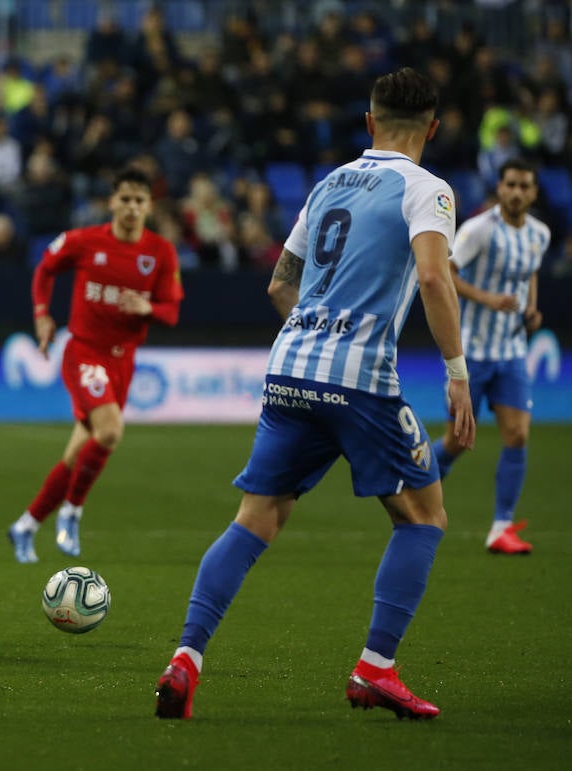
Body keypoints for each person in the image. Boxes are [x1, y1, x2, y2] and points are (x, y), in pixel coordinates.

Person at [154, 68, 476, 721]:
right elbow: (437, 279)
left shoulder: (329, 183)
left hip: (289, 368)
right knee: (424, 515)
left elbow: (279, 282)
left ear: (368, 122)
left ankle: (186, 657)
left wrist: (314, 335)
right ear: (433, 129)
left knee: (256, 519)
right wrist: (458, 374)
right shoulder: (428, 189)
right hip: (359, 378)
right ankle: (375, 668)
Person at [7, 167, 183, 563]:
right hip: (85, 352)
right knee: (110, 432)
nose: (132, 208)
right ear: (112, 202)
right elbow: (45, 268)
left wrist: (148, 308)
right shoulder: (86, 241)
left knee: (77, 455)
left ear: (149, 206)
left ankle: (26, 525)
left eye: (140, 200)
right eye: (125, 199)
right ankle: (71, 512)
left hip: (124, 362)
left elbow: (172, 311)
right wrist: (41, 314)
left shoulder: (160, 252)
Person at [431, 158, 549, 555]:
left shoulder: (539, 234)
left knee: (517, 434)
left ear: (533, 192)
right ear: (500, 188)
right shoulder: (479, 230)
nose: (517, 192)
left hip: (512, 352)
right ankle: (411, 485)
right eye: (510, 184)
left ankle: (501, 526)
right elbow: (446, 270)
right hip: (473, 352)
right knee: (457, 442)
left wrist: (531, 308)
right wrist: (487, 299)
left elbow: (530, 270)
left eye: (524, 186)